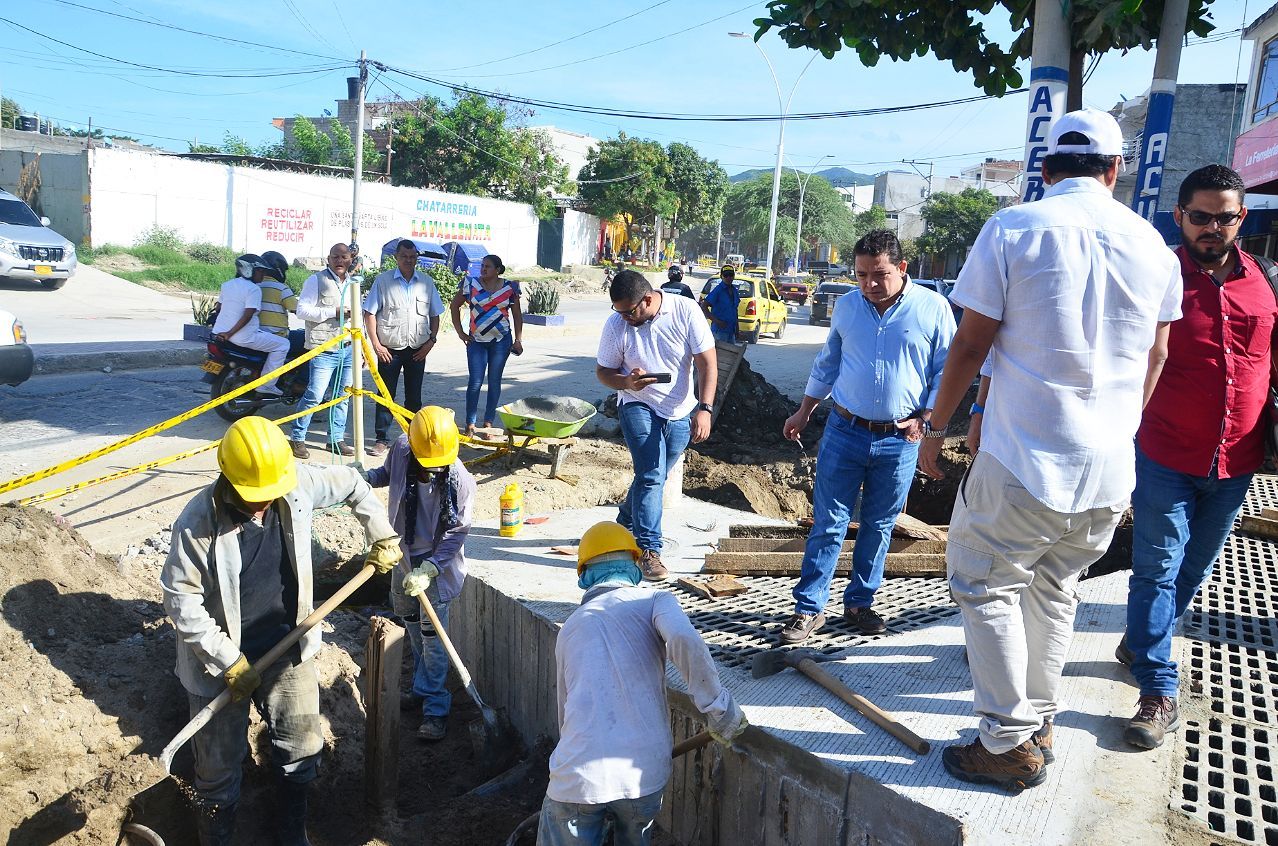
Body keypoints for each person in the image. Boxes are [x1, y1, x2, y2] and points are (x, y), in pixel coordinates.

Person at [916, 108, 1182, 789]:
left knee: (986, 584)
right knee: (1055, 588)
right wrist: (1120, 425)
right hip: (1107, 467)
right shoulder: (1154, 247)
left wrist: (937, 428)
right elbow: (1158, 354)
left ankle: (1005, 742)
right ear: (1116, 170)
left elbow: (971, 344)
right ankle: (1038, 721)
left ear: (1045, 168)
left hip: (1025, 456)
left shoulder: (1014, 229)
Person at [161, 416, 401, 845]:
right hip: (217, 665)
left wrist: (380, 533)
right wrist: (228, 661)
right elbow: (181, 600)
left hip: (288, 649)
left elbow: (353, 482)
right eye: (253, 498)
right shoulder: (196, 523)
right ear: (227, 478)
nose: (262, 505)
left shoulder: (294, 481)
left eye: (269, 496)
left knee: (300, 752)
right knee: (216, 775)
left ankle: (291, 835)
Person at [1121, 164, 1274, 750]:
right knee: (1156, 570)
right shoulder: (1154, 276)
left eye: (1226, 217)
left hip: (1239, 457)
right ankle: (1157, 690)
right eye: (1202, 217)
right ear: (1179, 216)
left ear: (1242, 218)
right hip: (1165, 451)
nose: (1214, 228)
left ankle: (1140, 642)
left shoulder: (1265, 280)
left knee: (1193, 569)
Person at [778, 229, 955, 644]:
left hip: (899, 439)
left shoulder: (933, 309)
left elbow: (946, 372)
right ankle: (808, 609)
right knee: (828, 522)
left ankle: (859, 602)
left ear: (902, 268)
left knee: (879, 524)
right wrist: (805, 410)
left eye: (879, 275)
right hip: (844, 430)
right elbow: (828, 363)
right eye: (861, 275)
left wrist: (927, 418)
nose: (869, 285)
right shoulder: (847, 307)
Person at [537, 522, 748, 846]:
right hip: (642, 774)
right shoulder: (655, 601)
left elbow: (565, 712)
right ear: (636, 569)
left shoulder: (570, 629)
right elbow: (682, 638)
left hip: (579, 778)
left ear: (583, 577)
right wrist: (718, 709)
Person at [596, 270, 718, 582]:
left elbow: (707, 363)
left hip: (679, 410)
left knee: (655, 475)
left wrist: (704, 409)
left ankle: (624, 522)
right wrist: (627, 382)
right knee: (651, 475)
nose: (623, 318)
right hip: (637, 404)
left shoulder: (685, 311)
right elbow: (603, 372)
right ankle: (648, 550)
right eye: (618, 311)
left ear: (648, 300)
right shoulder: (616, 325)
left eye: (629, 311)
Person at [368, 406, 475, 741]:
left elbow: (457, 532)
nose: (434, 470)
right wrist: (362, 478)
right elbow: (388, 475)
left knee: (433, 639)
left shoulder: (460, 481)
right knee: (412, 627)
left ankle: (436, 708)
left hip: (435, 566)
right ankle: (421, 687)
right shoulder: (402, 449)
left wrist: (431, 567)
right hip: (402, 555)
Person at [363, 240, 444, 456]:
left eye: (412, 256)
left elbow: (435, 314)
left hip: (418, 349)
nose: (408, 260)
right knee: (385, 396)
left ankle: (413, 436)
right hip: (389, 349)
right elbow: (369, 314)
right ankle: (381, 440)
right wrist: (376, 345)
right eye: (404, 256)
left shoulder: (426, 282)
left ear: (417, 257)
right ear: (396, 257)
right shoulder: (383, 281)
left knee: (414, 397)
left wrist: (431, 342)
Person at [289, 243, 356, 459]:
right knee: (315, 396)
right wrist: (332, 312)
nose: (339, 260)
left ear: (350, 259)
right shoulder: (316, 281)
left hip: (347, 349)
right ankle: (297, 438)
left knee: (341, 397)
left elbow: (359, 317)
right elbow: (302, 310)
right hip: (323, 348)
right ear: (329, 259)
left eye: (344, 257)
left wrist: (361, 350)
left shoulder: (353, 284)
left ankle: (335, 440)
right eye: (335, 256)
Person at [450, 254, 524, 435]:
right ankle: (470, 423)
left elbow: (517, 316)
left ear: (498, 270)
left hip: (501, 341)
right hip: (476, 342)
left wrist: (518, 340)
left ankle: (488, 423)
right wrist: (461, 333)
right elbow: (454, 306)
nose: (483, 269)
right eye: (482, 266)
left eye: (488, 266)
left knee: (494, 381)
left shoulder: (510, 287)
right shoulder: (470, 284)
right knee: (475, 382)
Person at [211, 254, 291, 396]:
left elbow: (219, 309)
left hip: (219, 333)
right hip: (243, 336)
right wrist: (230, 333)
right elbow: (248, 315)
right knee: (283, 344)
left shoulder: (227, 285)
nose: (263, 274)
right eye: (260, 271)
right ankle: (267, 384)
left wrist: (226, 331)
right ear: (249, 270)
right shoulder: (254, 289)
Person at [256, 250, 300, 355]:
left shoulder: (254, 286)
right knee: (304, 339)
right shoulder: (281, 289)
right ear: (279, 270)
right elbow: (299, 311)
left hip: (255, 335)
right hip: (277, 335)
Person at [702, 265, 740, 342]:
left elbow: (735, 310)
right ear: (721, 276)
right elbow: (704, 306)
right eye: (726, 275)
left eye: (731, 275)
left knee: (731, 354)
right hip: (719, 331)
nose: (728, 277)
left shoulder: (734, 291)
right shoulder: (718, 290)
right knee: (719, 354)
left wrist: (737, 328)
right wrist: (717, 321)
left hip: (731, 330)